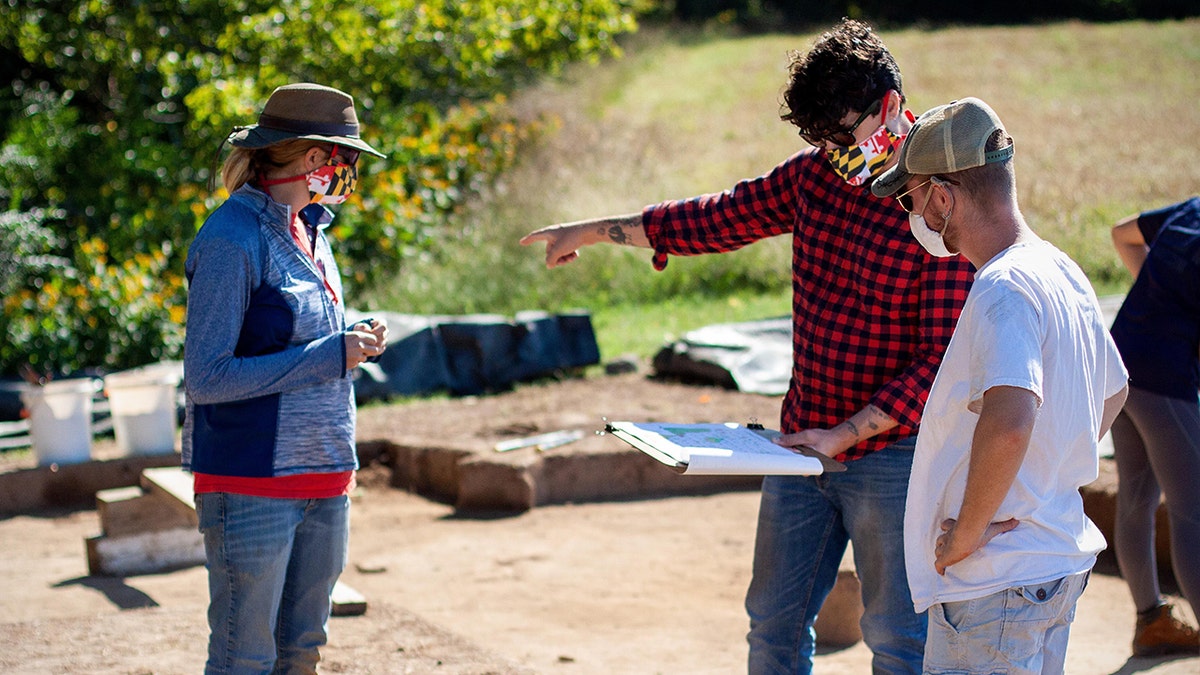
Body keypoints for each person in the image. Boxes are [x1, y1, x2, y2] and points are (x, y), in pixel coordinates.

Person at [521, 19, 974, 674]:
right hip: (800, 448)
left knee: (900, 643)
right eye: (821, 141)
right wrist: (588, 231)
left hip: (896, 457)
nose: (836, 154)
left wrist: (846, 434)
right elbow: (715, 216)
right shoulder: (813, 178)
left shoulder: (941, 201)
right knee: (773, 629)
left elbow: (941, 362)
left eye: (845, 136)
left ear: (891, 109)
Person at [871, 97, 1130, 674]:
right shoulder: (1058, 268)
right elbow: (1112, 392)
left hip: (996, 582)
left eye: (913, 197)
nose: (915, 214)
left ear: (943, 196)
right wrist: (1047, 475)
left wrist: (965, 534)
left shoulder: (1003, 287)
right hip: (1050, 561)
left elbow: (1010, 422)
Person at [182, 82, 389, 674]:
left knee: (301, 651)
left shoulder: (313, 229)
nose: (352, 173)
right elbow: (207, 377)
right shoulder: (230, 238)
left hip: (324, 478)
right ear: (313, 159)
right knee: (243, 657)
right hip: (250, 484)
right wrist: (333, 354)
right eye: (347, 159)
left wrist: (352, 343)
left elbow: (306, 346)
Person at [1108, 198, 1200, 657]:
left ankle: (1152, 622)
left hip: (1120, 362)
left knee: (1137, 498)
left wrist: (1156, 296)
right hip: (1166, 378)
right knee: (1192, 510)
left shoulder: (1194, 210)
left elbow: (1122, 233)